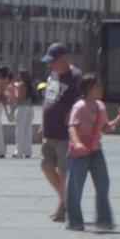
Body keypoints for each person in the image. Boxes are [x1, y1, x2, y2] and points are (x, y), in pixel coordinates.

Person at [65, 73, 120, 231]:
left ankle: (104, 219)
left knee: (103, 184)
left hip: (95, 151)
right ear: (88, 88)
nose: (101, 88)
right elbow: (72, 126)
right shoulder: (79, 106)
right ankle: (74, 221)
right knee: (75, 187)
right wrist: (77, 143)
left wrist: (119, 118)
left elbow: (104, 128)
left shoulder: (100, 106)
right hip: (79, 153)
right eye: (97, 86)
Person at [37, 43, 82, 223]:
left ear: (64, 59)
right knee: (46, 165)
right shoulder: (53, 75)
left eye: (53, 61)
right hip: (50, 129)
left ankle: (63, 206)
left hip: (65, 132)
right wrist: (42, 124)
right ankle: (65, 201)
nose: (50, 65)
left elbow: (81, 103)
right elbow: (48, 100)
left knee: (63, 171)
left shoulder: (76, 77)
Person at [13, 69, 39, 158]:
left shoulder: (21, 85)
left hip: (22, 108)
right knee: (28, 130)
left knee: (19, 130)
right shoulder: (31, 85)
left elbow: (19, 98)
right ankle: (28, 151)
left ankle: (19, 151)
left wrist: (15, 89)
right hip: (30, 107)